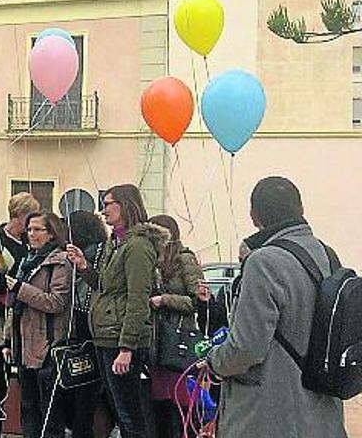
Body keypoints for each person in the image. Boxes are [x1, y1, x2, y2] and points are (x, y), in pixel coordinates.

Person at [204, 177, 347, 438]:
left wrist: (213, 362)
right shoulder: (328, 255)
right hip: (323, 413)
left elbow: (246, 348)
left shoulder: (264, 262)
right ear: (300, 209)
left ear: (254, 215)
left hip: (269, 414)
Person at [66, 184, 164, 438]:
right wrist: (84, 266)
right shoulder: (117, 242)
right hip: (107, 335)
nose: (103, 210)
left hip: (121, 339)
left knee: (130, 414)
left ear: (125, 205)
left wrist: (126, 348)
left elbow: (138, 299)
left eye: (108, 204)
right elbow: (106, 285)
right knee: (123, 411)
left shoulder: (137, 247)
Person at [3, 212, 71, 438]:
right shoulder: (26, 260)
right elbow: (13, 306)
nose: (31, 234)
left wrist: (21, 289)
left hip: (47, 346)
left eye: (37, 230)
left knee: (49, 412)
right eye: (29, 229)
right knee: (28, 406)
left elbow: (56, 302)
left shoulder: (60, 262)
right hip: (24, 344)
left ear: (51, 233)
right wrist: (8, 341)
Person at [0, 192, 39, 438]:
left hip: (23, 316)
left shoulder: (28, 243)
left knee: (26, 376)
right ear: (21, 215)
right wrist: (15, 284)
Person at [146, 215, 203, 438]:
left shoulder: (184, 259)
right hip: (157, 337)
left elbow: (197, 301)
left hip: (177, 337)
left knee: (178, 401)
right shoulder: (152, 259)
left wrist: (164, 299)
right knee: (159, 400)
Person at [65, 210, 109, 438]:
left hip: (85, 319)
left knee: (83, 381)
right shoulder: (103, 248)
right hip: (95, 321)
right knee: (92, 383)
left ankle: (80, 429)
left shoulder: (86, 254)